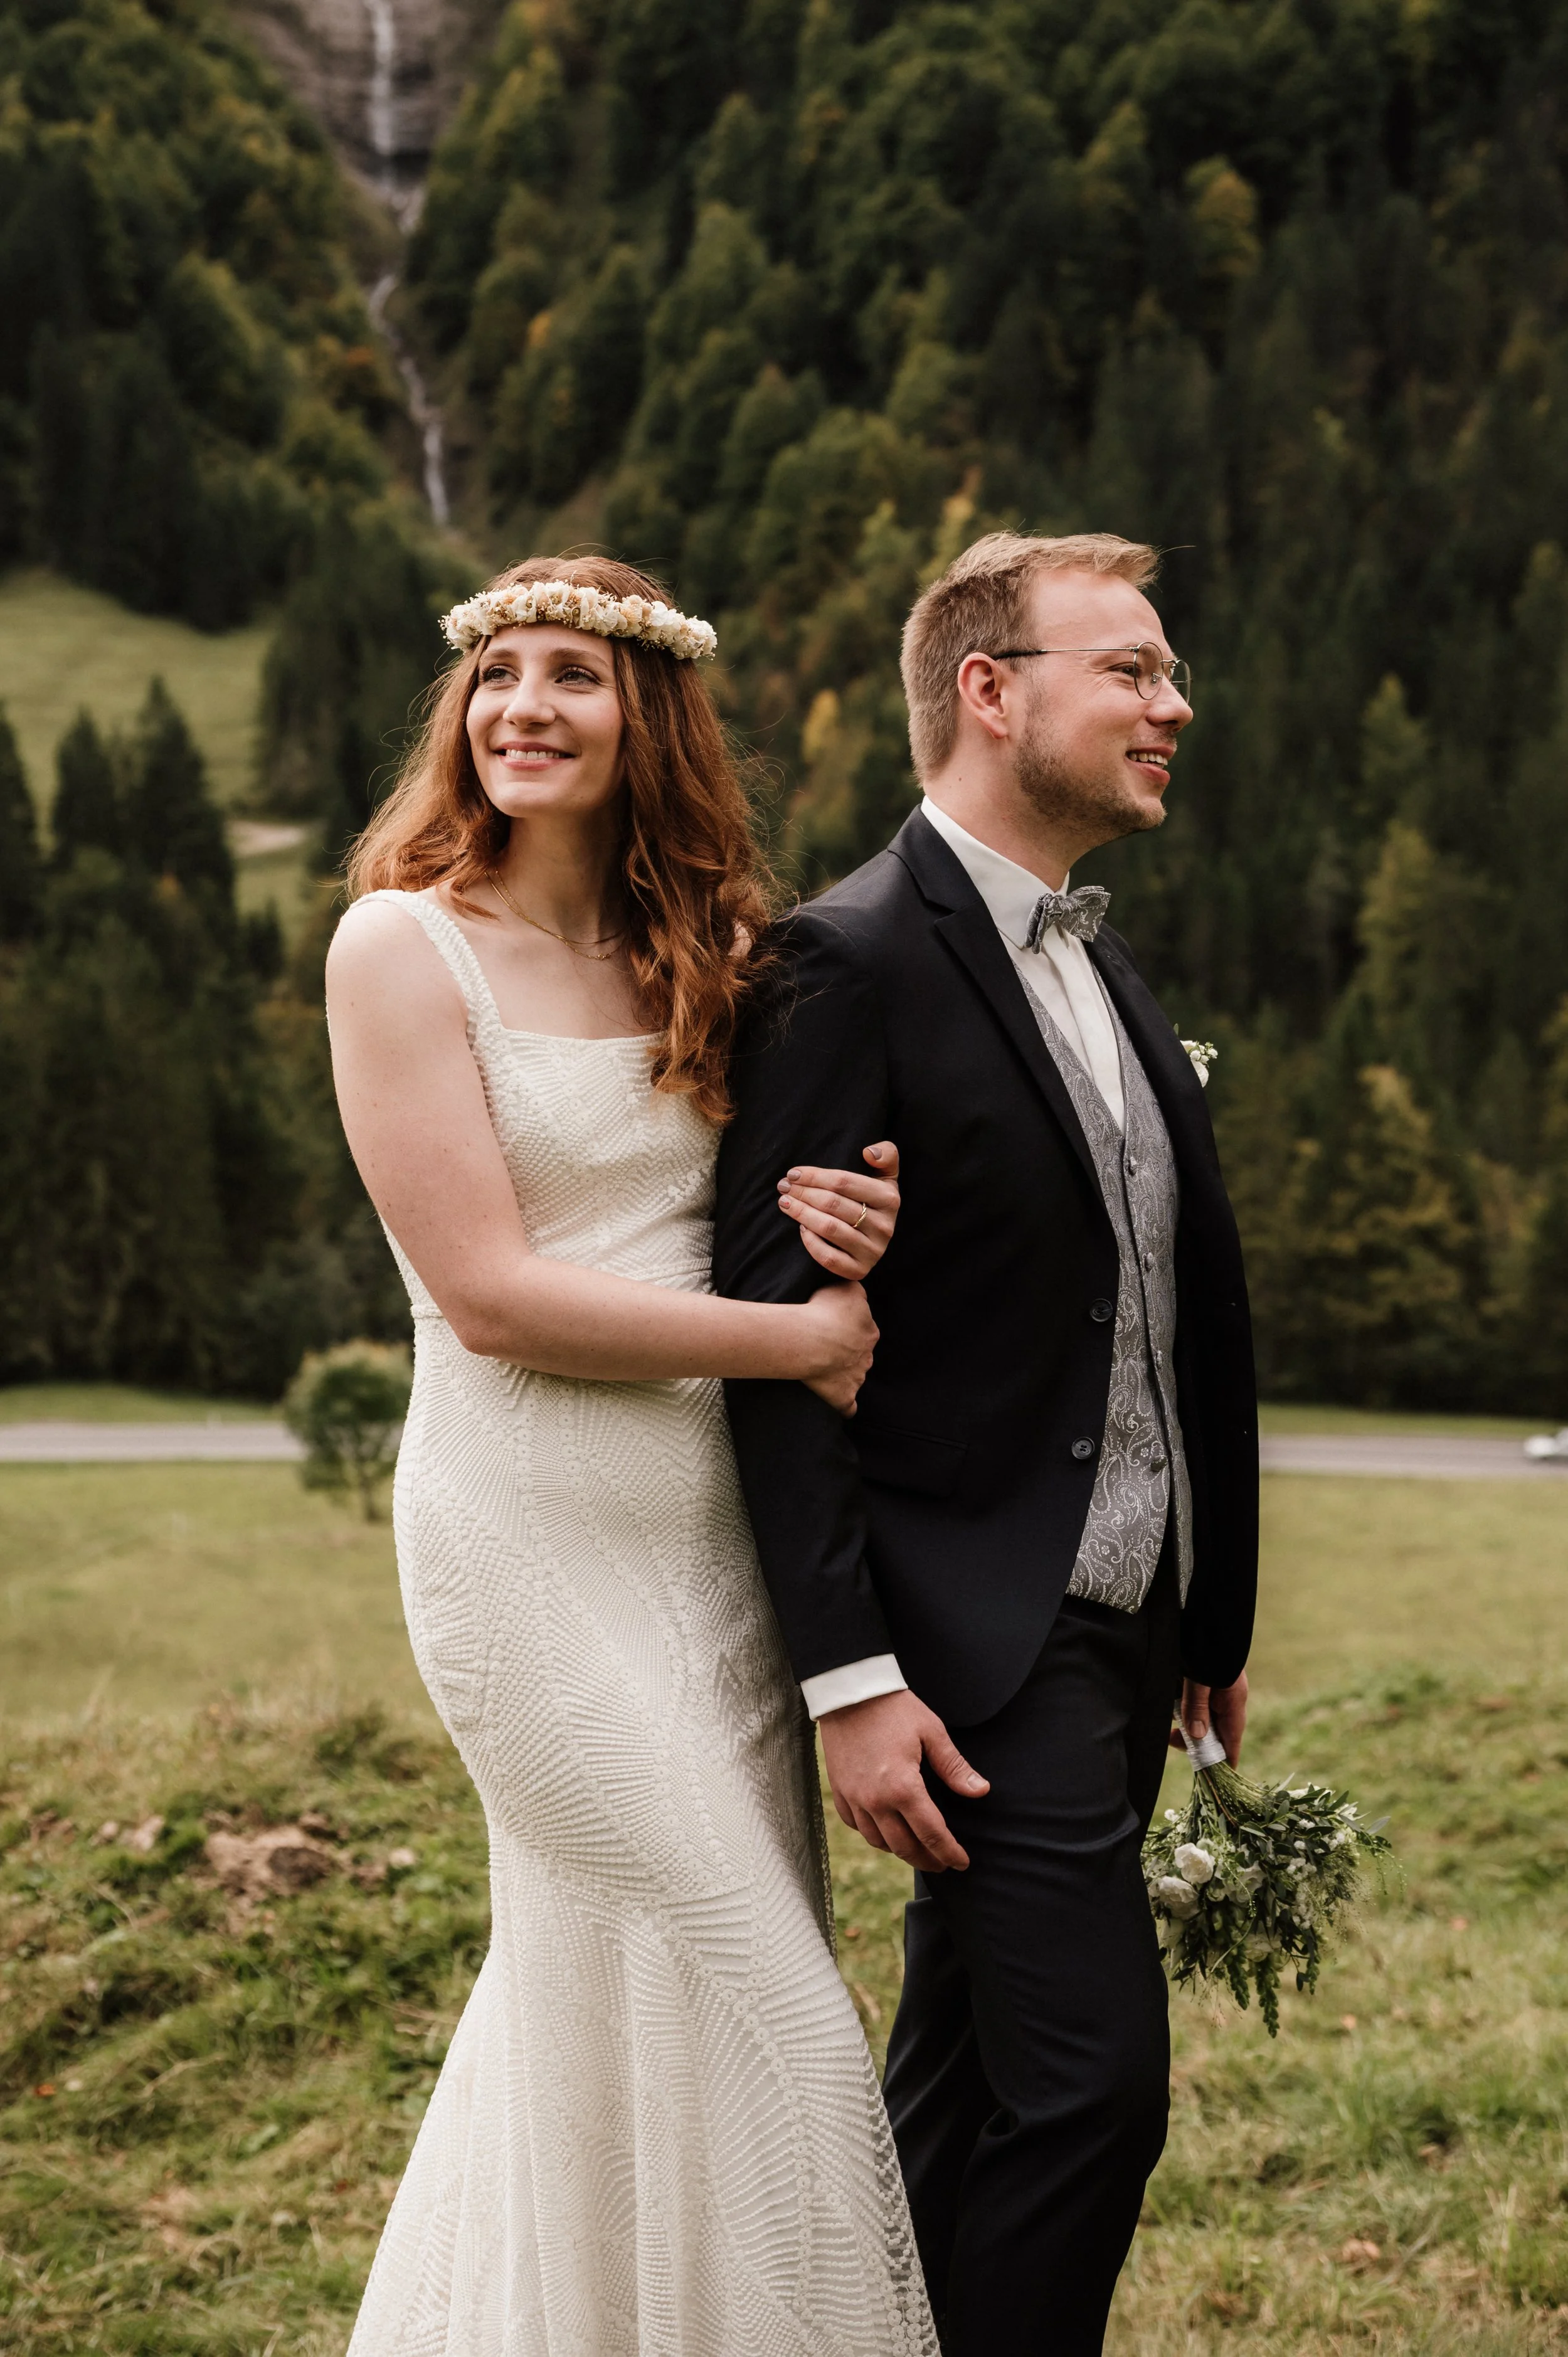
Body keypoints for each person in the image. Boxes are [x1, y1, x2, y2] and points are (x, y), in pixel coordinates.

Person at [326, 555, 937, 2357]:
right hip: (523, 1539)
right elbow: (493, 1295)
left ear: (645, 714)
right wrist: (800, 1341)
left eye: (571, 676)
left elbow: (743, 1220)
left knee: (603, 2009)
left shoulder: (715, 961)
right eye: (498, 674)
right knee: (780, 2013)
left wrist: (852, 1222)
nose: (524, 705)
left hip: (714, 1556)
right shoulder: (400, 943)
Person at [713, 531, 1259, 2355]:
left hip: (1114, 1642)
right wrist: (849, 1671)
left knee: (957, 2091)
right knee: (1091, 2092)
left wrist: (1208, 1614)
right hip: (969, 1645)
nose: (1174, 704)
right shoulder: (843, 958)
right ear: (989, 688)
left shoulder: (1103, 977)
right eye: (1135, 668)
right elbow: (778, 1354)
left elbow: (1163, 1310)